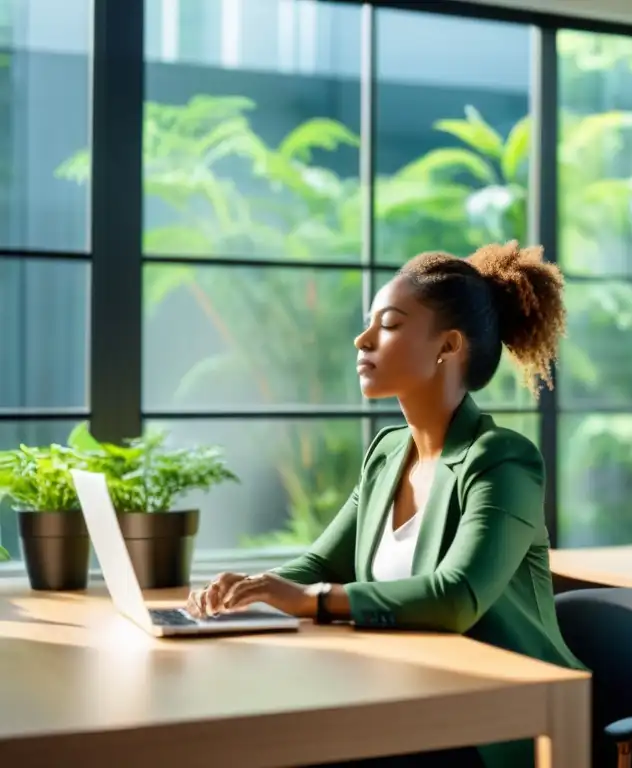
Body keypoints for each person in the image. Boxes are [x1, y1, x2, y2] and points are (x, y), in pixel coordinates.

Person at [186, 241, 587, 768]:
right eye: (368, 323)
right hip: (407, 693)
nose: (362, 338)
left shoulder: (502, 461)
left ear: (447, 345)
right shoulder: (386, 454)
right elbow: (318, 564)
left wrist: (311, 599)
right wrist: (246, 590)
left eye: (390, 324)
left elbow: (456, 596)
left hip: (501, 721)